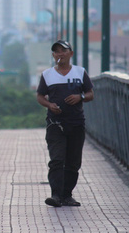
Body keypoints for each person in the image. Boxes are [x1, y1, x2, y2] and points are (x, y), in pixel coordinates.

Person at [36, 40, 94, 208]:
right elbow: (40, 96)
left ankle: (67, 195)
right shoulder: (47, 74)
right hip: (55, 124)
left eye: (63, 51)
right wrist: (49, 105)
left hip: (76, 123)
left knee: (73, 162)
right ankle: (55, 195)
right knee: (56, 159)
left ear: (71, 54)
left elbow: (90, 93)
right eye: (56, 52)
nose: (60, 54)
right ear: (53, 55)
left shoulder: (80, 72)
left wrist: (80, 97)